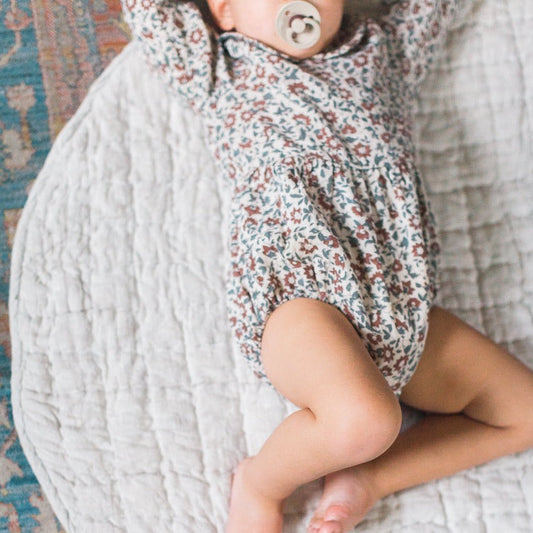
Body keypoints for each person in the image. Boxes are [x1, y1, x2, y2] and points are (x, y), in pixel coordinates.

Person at [121, 1, 533, 531]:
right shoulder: (220, 68)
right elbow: (150, 11)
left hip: (403, 311)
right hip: (301, 298)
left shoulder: (385, 52)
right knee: (366, 420)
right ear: (224, 12)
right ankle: (261, 484)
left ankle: (370, 478)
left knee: (523, 413)